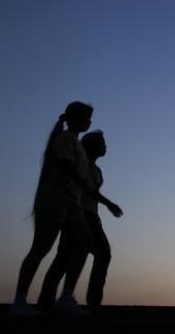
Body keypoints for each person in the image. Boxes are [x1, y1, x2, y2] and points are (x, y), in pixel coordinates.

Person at [8, 102, 123, 318]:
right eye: (87, 117)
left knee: (83, 242)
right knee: (41, 249)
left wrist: (100, 201)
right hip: (55, 200)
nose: (90, 121)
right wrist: (105, 201)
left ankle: (66, 297)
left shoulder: (76, 144)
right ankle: (19, 302)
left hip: (71, 204)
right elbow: (67, 169)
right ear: (75, 118)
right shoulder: (64, 139)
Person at [37, 130, 116, 313]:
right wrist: (108, 203)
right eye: (101, 142)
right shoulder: (81, 166)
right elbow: (84, 189)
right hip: (78, 213)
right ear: (90, 146)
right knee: (97, 253)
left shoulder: (97, 170)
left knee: (65, 258)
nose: (105, 146)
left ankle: (49, 301)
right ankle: (86, 302)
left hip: (90, 214)